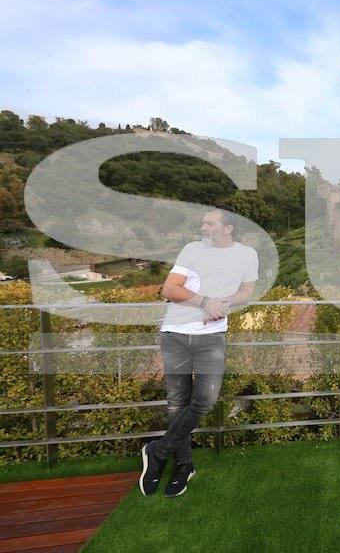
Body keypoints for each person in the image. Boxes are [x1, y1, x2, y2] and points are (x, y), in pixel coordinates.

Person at [139, 204, 259, 497]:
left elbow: (247, 290)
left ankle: (157, 451)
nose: (203, 228)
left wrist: (224, 303)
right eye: (203, 224)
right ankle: (184, 465)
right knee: (177, 403)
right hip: (175, 334)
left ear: (228, 228)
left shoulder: (247, 255)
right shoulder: (192, 250)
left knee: (204, 400)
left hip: (212, 336)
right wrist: (206, 302)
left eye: (209, 224)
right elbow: (170, 289)